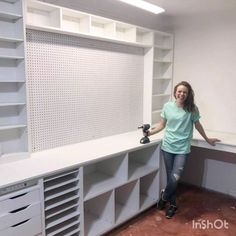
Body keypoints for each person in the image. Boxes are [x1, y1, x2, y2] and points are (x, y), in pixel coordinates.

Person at [146, 81, 220, 219]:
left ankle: (164, 196)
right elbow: (162, 125)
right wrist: (149, 133)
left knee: (175, 178)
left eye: (184, 92)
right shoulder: (167, 106)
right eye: (179, 91)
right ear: (175, 92)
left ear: (188, 94)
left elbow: (198, 125)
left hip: (182, 148)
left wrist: (207, 139)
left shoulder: (192, 109)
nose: (182, 94)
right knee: (170, 178)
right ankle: (173, 205)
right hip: (167, 146)